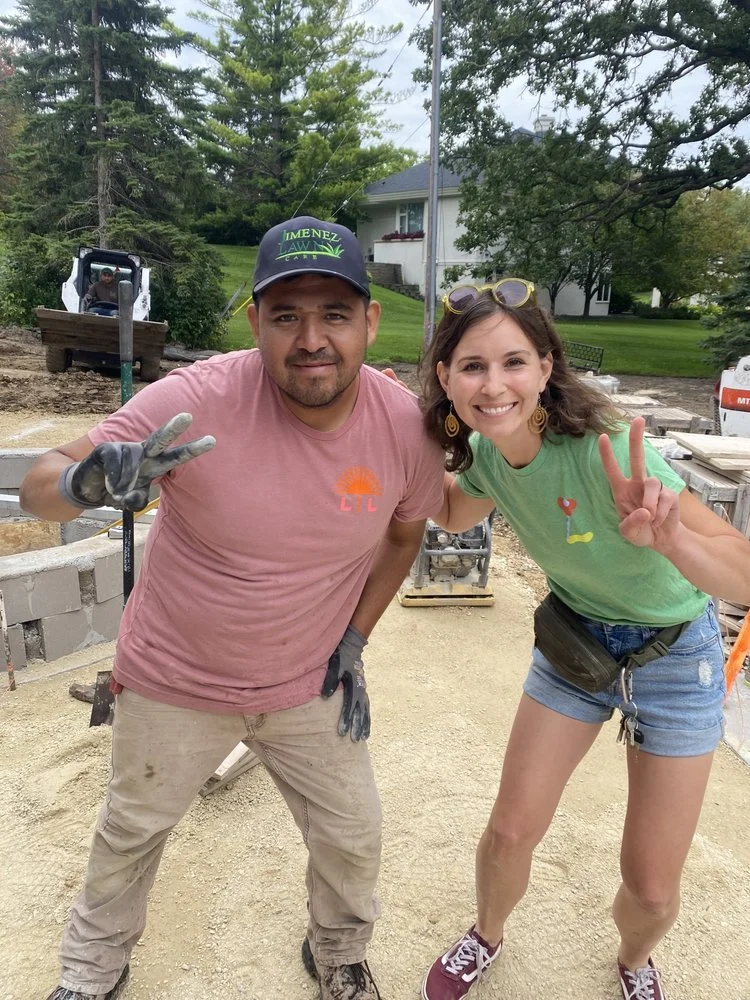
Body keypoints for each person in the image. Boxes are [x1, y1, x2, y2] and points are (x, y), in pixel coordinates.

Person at [20, 216, 444, 1000]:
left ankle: (339, 953)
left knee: (352, 836)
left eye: (335, 314)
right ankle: (92, 969)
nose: (311, 339)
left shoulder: (404, 429)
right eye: (286, 316)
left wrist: (354, 639)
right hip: (174, 680)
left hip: (309, 681)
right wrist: (86, 481)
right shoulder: (196, 399)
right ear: (255, 323)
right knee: (131, 831)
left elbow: (403, 533)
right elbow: (37, 485)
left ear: (370, 321)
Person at [417, 280, 750, 1000]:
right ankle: (486, 934)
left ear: (545, 367)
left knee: (652, 888)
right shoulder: (484, 455)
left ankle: (634, 960)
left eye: (514, 362)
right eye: (472, 366)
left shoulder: (608, 451)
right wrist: (382, 443)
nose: (493, 385)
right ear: (445, 378)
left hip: (675, 656)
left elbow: (743, 570)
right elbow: (450, 511)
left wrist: (672, 542)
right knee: (510, 833)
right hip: (575, 645)